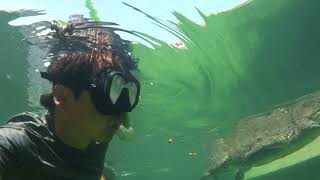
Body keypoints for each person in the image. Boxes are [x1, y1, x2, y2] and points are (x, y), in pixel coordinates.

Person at [0, 20, 140, 180]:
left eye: (126, 94)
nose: (119, 115)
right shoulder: (19, 142)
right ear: (62, 96)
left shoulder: (97, 131)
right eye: (106, 95)